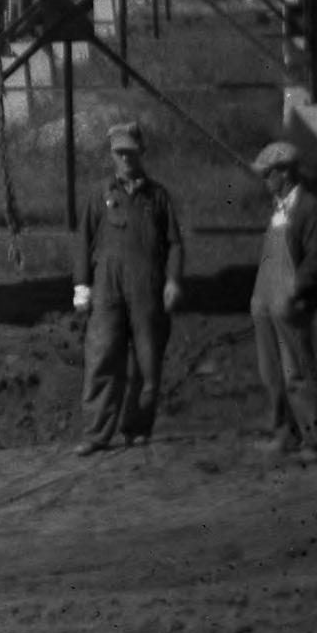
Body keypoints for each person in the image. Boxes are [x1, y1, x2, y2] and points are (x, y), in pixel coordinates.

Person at [72, 120, 186, 455]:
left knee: (146, 361)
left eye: (131, 153)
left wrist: (173, 281)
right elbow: (83, 241)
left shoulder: (157, 196)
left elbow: (174, 244)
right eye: (119, 153)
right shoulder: (100, 194)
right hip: (106, 288)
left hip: (147, 288)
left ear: (142, 153)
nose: (125, 159)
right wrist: (81, 287)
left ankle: (137, 428)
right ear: (111, 155)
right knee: (101, 356)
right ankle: (96, 433)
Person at [249, 139, 317, 462]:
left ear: (284, 172)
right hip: (265, 303)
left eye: (268, 173)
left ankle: (315, 441)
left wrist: (296, 289)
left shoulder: (310, 208)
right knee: (271, 373)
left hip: (290, 303)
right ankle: (284, 433)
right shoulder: (278, 208)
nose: (264, 180)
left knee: (297, 374)